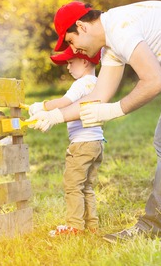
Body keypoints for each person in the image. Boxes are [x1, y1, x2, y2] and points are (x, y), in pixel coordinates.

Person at [28, 0, 161, 243]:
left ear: (82, 26)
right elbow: (97, 96)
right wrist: (54, 116)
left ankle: (151, 228)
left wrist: (115, 110)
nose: (75, 50)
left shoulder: (119, 29)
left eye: (71, 41)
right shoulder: (111, 46)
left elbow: (154, 81)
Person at [29, 46, 105, 237]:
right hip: (97, 143)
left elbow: (64, 103)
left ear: (85, 61)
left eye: (71, 62)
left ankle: (74, 226)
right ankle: (91, 225)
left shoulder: (81, 84)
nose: (68, 67)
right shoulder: (98, 84)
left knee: (72, 186)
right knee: (87, 186)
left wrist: (42, 106)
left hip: (81, 144)